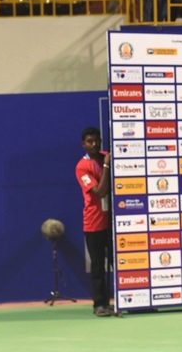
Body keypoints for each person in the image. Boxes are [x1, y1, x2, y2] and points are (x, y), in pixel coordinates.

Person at [75, 127, 114, 317]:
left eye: (96, 140)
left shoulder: (107, 155)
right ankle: (99, 305)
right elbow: (100, 191)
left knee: (117, 263)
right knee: (98, 266)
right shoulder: (82, 166)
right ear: (83, 144)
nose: (94, 144)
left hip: (112, 223)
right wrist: (106, 167)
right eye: (89, 141)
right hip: (94, 224)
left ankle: (120, 301)